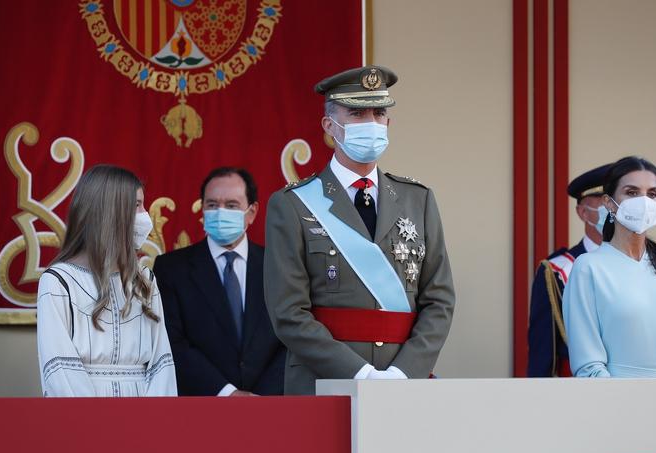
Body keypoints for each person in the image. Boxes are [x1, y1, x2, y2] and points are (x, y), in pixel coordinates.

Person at [264, 65, 455, 395]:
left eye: (379, 113)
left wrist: (403, 372)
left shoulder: (417, 199)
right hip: (322, 381)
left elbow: (439, 300)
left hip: (404, 385)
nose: (371, 123)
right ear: (329, 126)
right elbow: (288, 313)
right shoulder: (293, 204)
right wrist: (361, 374)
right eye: (356, 112)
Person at [36, 165, 176, 396]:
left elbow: (161, 363)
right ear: (110, 211)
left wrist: (155, 422)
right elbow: (61, 372)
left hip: (143, 412)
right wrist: (94, 425)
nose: (145, 215)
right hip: (86, 415)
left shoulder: (144, 279)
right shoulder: (59, 282)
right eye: (136, 205)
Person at [562, 156, 656, 377]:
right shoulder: (588, 268)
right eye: (631, 192)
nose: (644, 201)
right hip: (621, 401)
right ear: (609, 203)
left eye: (652, 194)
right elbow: (589, 365)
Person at [154, 167, 285, 396]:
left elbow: (290, 337)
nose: (220, 212)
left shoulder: (278, 267)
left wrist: (262, 398)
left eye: (232, 205)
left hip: (269, 406)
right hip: (201, 407)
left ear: (252, 212)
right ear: (202, 209)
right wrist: (228, 394)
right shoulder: (171, 269)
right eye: (212, 205)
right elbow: (173, 342)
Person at [527, 164, 611, 377]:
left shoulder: (646, 264)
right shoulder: (557, 271)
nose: (613, 208)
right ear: (583, 212)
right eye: (604, 201)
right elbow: (543, 353)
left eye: (616, 200)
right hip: (581, 392)